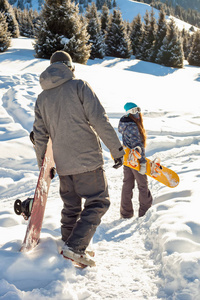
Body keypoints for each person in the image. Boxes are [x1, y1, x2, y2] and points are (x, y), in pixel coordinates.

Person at [33, 50, 124, 264]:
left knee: (72, 207)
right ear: (69, 66)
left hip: (63, 165)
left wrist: (44, 167)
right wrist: (116, 150)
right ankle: (75, 247)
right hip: (88, 160)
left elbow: (40, 135)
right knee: (99, 201)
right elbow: (99, 120)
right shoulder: (79, 86)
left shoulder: (42, 98)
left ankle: (68, 246)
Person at [118, 102, 153, 218]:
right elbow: (137, 145)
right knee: (143, 185)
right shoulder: (132, 126)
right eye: (133, 111)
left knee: (127, 184)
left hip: (128, 159)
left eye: (137, 109)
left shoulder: (126, 124)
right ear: (128, 113)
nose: (137, 113)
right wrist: (142, 162)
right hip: (136, 160)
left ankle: (125, 213)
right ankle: (145, 213)